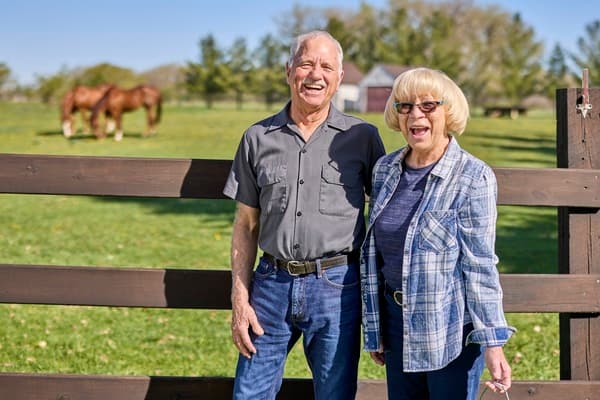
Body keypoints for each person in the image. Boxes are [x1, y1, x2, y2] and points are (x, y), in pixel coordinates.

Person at [223, 30, 386, 400]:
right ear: (289, 70)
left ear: (340, 77)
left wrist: (379, 309)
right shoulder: (257, 137)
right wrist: (239, 297)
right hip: (270, 285)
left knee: (334, 394)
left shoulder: (362, 136)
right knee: (249, 395)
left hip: (338, 287)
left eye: (326, 66)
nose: (316, 74)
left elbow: (384, 220)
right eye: (306, 63)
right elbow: (246, 224)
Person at [360, 67, 516, 400]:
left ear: (448, 112)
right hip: (395, 324)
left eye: (428, 105)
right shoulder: (385, 170)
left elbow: (480, 266)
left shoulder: (473, 177)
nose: (415, 114)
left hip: (448, 332)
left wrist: (492, 342)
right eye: (405, 106)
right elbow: (375, 255)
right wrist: (376, 331)